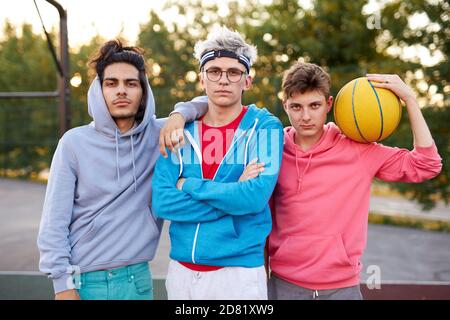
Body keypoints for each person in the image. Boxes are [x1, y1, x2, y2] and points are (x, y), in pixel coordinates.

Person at [37, 40, 207, 300]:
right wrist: (62, 284)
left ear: (143, 92)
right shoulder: (73, 143)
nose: (121, 91)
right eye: (111, 83)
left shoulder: (159, 134)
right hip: (84, 282)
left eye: (131, 83)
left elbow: (209, 102)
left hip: (137, 281)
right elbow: (53, 224)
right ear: (99, 90)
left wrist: (178, 115)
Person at [267, 61, 442, 300]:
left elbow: (427, 165)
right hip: (283, 284)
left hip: (341, 289)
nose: (305, 116)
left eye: (314, 105)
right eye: (296, 107)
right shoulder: (273, 149)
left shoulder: (357, 150)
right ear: (285, 105)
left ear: (329, 105)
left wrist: (410, 99)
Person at [151, 26, 283, 300]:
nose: (223, 79)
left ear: (246, 81)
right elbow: (163, 202)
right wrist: (232, 194)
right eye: (214, 71)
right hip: (181, 274)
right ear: (202, 79)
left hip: (239, 274)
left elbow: (254, 198)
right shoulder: (181, 131)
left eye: (233, 72)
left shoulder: (265, 128)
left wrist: (189, 184)